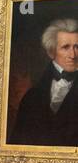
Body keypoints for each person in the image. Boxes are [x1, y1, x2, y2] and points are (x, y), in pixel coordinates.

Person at [10, 17, 78, 147]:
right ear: (51, 52)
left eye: (77, 47)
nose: (73, 55)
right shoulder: (31, 97)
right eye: (65, 47)